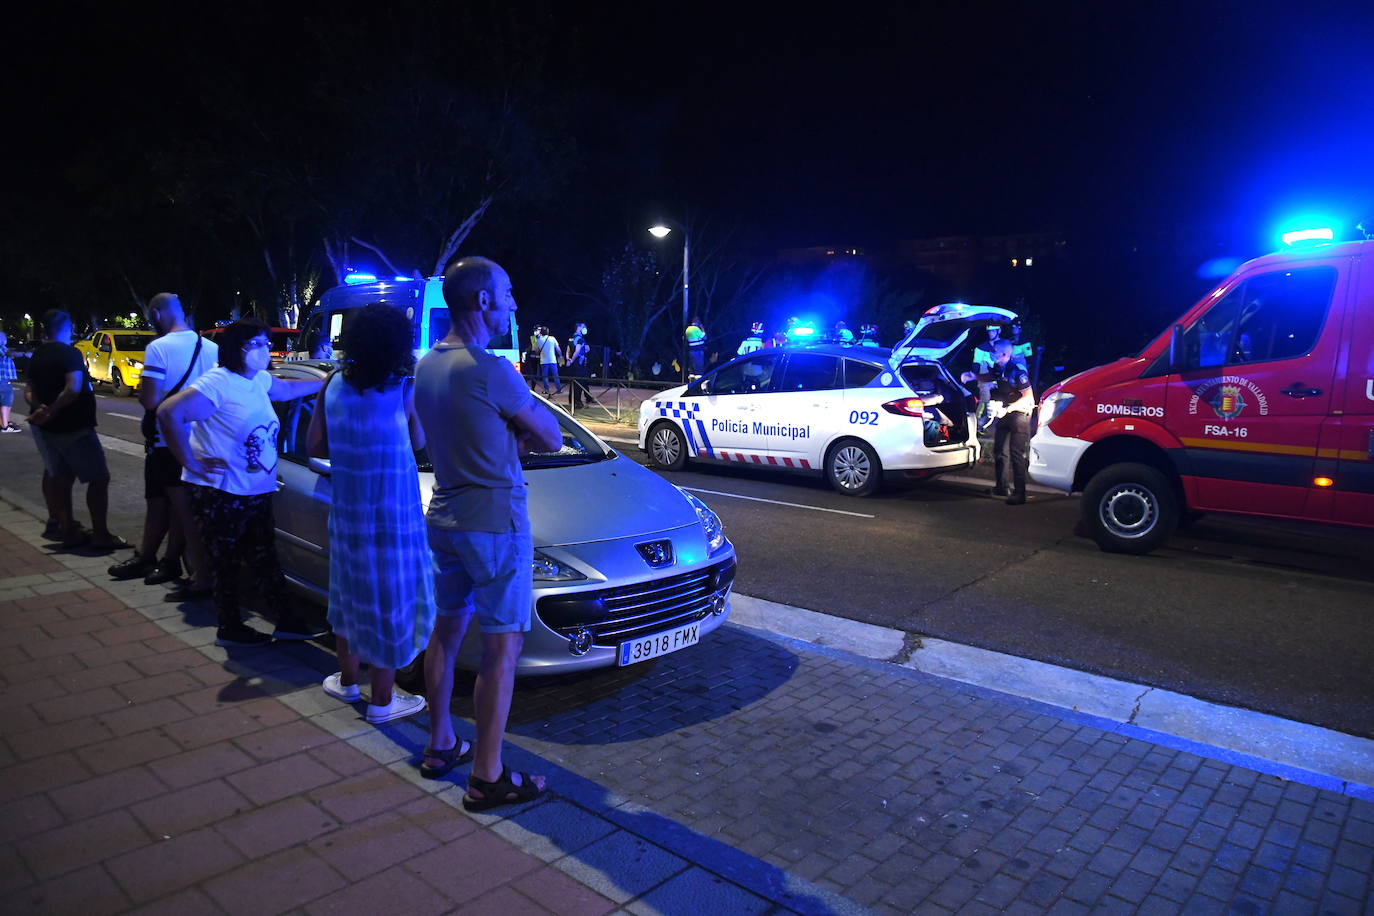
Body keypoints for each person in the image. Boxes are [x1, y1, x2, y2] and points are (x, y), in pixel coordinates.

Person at [413, 256, 562, 805]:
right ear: (483, 301)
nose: (514, 303)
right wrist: (514, 438)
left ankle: (439, 744)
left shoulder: (427, 365)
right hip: (494, 523)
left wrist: (503, 438)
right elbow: (550, 437)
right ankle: (487, 774)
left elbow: (444, 439)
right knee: (503, 648)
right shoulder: (490, 369)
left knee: (446, 635)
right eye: (508, 293)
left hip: (446, 517)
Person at [158, 318, 327, 646]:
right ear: (237, 349)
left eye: (267, 343)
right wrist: (190, 461)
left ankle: (287, 622)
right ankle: (230, 627)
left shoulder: (258, 380)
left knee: (264, 558)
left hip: (254, 490)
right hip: (222, 491)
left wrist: (327, 382)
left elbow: (289, 389)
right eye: (257, 344)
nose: (265, 350)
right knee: (227, 561)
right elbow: (168, 413)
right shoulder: (218, 383)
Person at [307, 304, 431, 725]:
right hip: (393, 513)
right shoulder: (403, 387)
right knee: (390, 600)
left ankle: (346, 681)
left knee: (348, 591)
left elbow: (315, 446)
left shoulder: (332, 384)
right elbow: (417, 442)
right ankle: (381, 701)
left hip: (348, 511)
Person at [109, 294, 219, 589]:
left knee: (172, 505)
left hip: (166, 439)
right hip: (201, 437)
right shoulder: (211, 347)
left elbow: (149, 399)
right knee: (170, 503)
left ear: (156, 313)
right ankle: (156, 557)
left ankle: (186, 570)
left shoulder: (158, 348)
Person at [25, 310, 129, 551]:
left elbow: (28, 389)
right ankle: (100, 534)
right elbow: (73, 388)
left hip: (48, 429)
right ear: (67, 326)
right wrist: (52, 409)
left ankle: (67, 528)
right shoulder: (69, 353)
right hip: (74, 427)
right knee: (99, 478)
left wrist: (38, 406)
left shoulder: (38, 354)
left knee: (60, 478)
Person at [964, 339, 1034, 505]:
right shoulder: (999, 367)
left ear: (1004, 355)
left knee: (1016, 453)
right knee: (1000, 451)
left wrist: (1007, 409)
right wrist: (973, 376)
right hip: (1004, 412)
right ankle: (1001, 488)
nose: (991, 353)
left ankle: (1020, 493)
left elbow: (1029, 398)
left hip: (1019, 415)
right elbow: (991, 377)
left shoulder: (1018, 370)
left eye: (994, 352)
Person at [565, 321, 590, 408]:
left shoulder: (571, 338)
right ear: (579, 328)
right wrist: (572, 360)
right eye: (583, 327)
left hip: (573, 363)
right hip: (578, 362)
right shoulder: (580, 339)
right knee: (579, 382)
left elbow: (568, 349)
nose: (585, 329)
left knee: (573, 382)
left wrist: (568, 358)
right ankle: (578, 402)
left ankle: (571, 400)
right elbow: (577, 351)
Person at [0, 332, 20, 432]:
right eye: (3, 337)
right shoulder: (1, 348)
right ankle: (5, 426)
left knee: (5, 402)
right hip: (2, 381)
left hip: (3, 381)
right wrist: (25, 354)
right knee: (5, 403)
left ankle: (5, 422)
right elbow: (9, 353)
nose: (5, 339)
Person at [535, 326, 562, 395]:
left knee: (545, 376)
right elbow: (558, 348)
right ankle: (559, 389)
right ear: (547, 331)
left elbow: (537, 351)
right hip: (552, 360)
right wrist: (561, 356)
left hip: (543, 361)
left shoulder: (539, 340)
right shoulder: (552, 338)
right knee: (555, 375)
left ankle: (547, 390)